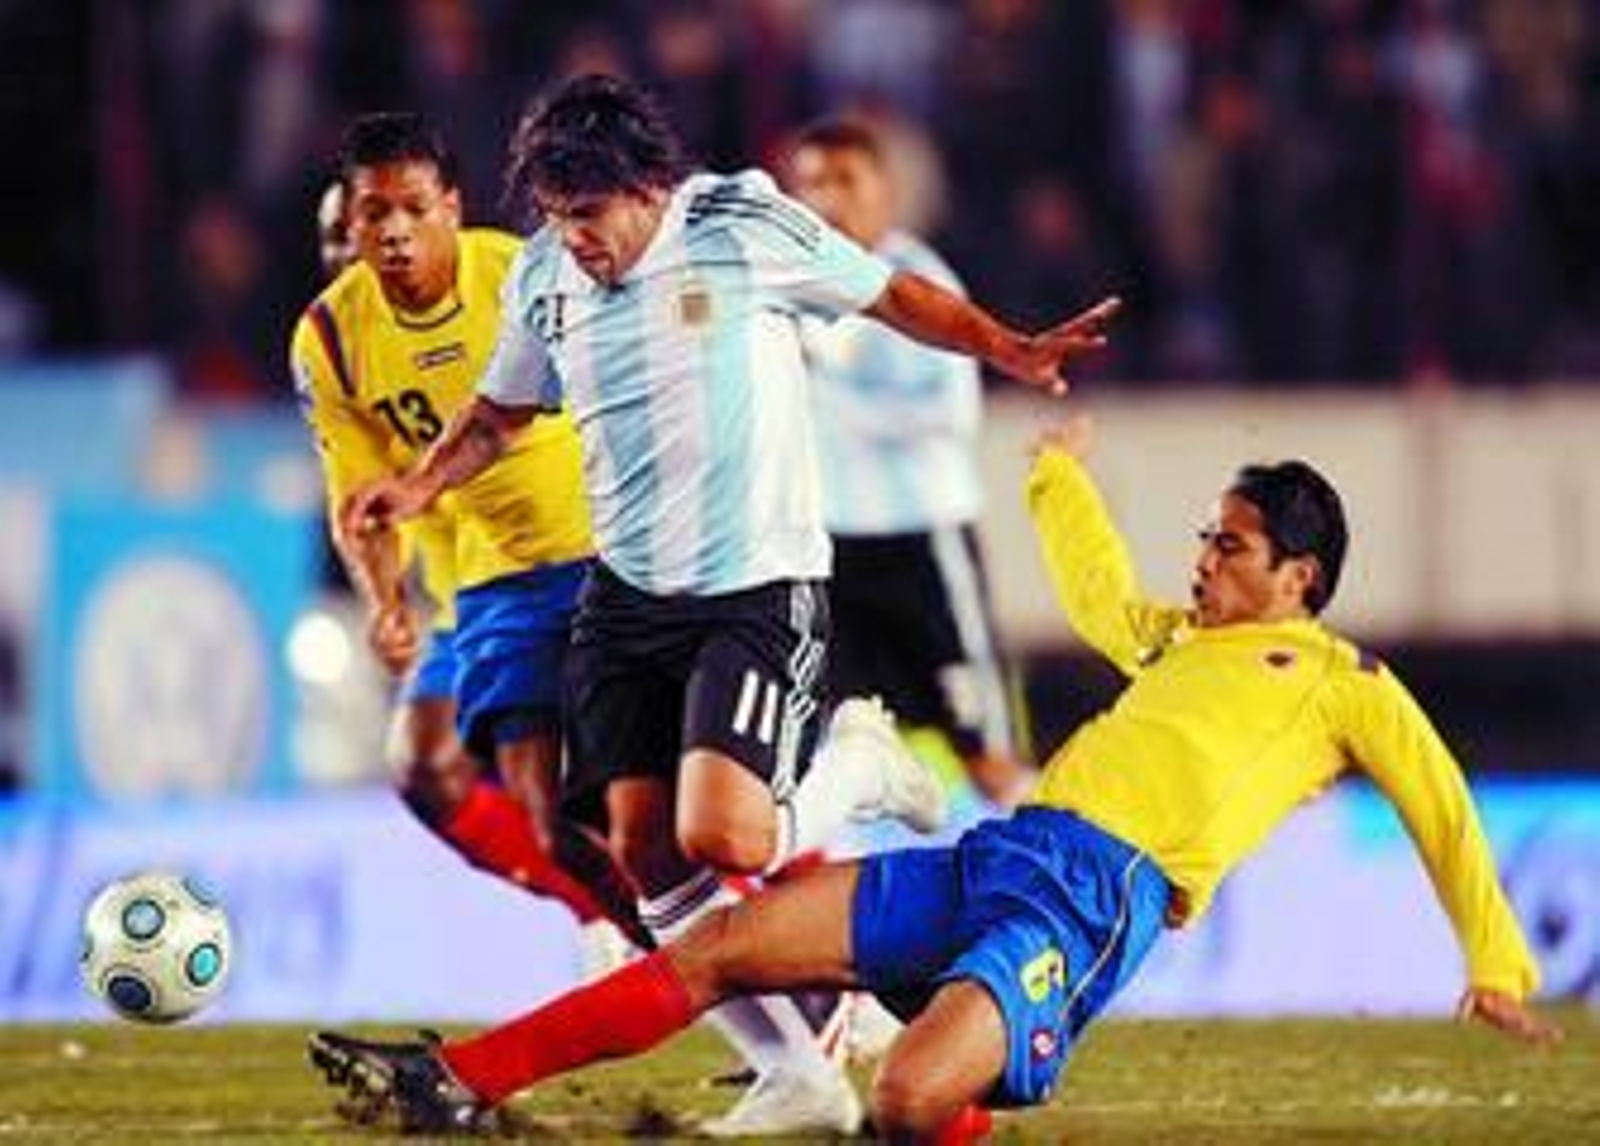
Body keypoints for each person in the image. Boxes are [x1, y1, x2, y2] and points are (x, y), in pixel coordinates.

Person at [308, 412, 1558, 1141]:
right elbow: (1094, 593)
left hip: (1089, 903)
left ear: (1299, 577)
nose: (1202, 561)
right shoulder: (1180, 641)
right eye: (1204, 538)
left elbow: (1439, 803)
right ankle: (454, 1081)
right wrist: (1056, 478)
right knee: (716, 944)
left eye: (1227, 547)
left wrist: (1495, 962)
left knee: (906, 1099)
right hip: (997, 856)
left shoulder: (1342, 683)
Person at [330, 73, 1121, 1136]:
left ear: (647, 188)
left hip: (752, 589)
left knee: (729, 840)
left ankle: (859, 766)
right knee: (641, 856)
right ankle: (796, 1066)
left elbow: (889, 294)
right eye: (556, 216)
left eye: (590, 214)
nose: (576, 239)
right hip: (623, 600)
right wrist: (419, 486)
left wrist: (1006, 346)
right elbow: (500, 413)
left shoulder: (736, 223)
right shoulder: (546, 275)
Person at [290, 113, 647, 958]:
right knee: (435, 770)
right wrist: (385, 601)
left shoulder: (520, 274)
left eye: (410, 210)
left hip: (604, 552)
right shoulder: (331, 341)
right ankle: (609, 922)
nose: (381, 240)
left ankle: (784, 915)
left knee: (647, 802)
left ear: (449, 206)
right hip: (481, 589)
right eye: (361, 224)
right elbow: (359, 501)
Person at [786, 117, 1028, 806]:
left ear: (885, 193)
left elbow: (951, 417)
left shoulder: (922, 287)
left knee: (986, 753)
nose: (828, 198)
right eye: (812, 183)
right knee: (831, 751)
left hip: (922, 542)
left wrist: (826, 390)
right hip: (831, 549)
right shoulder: (791, 286)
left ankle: (1056, 861)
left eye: (845, 179)